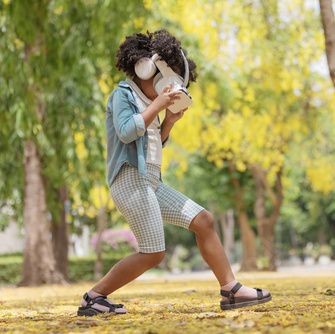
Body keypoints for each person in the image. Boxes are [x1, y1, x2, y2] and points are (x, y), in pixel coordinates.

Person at [77, 29, 271, 317]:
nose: (168, 88)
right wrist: (157, 106)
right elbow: (128, 132)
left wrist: (167, 121)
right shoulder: (123, 94)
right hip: (130, 180)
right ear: (146, 67)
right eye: (166, 80)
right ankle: (94, 297)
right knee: (154, 252)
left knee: (204, 220)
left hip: (151, 181)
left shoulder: (149, 104)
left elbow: (154, 144)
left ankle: (231, 289)